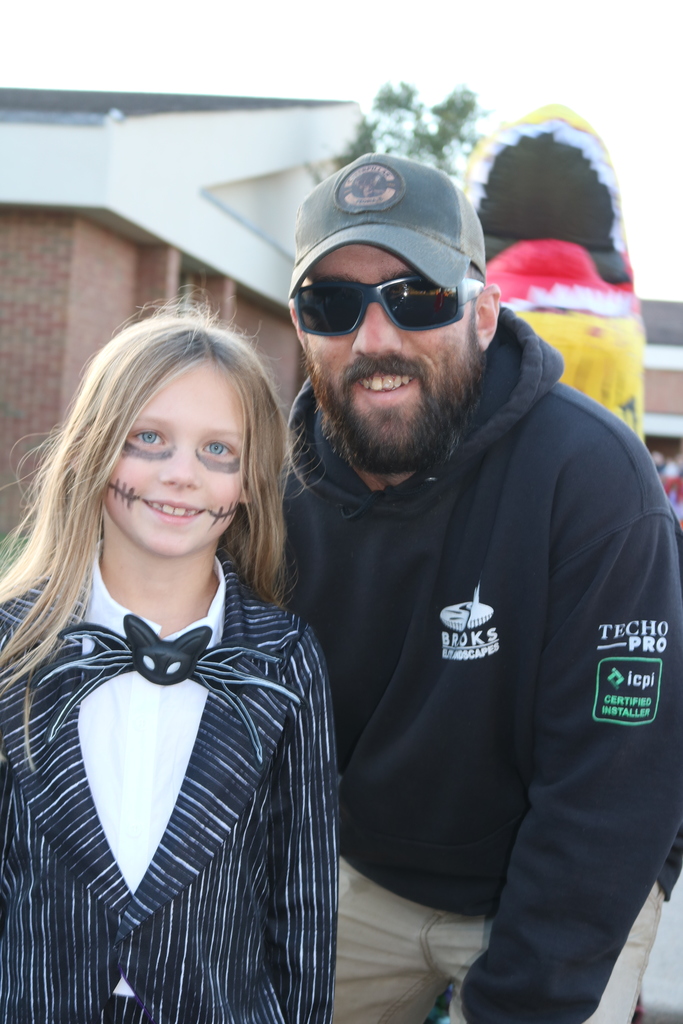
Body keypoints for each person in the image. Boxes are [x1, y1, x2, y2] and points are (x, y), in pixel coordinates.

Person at [285, 152, 683, 1024]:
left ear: (484, 312)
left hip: (570, 883)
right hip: (366, 870)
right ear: (299, 327)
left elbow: (614, 784)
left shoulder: (592, 479)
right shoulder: (271, 486)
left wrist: (522, 999)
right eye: (332, 304)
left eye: (417, 297)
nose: (374, 338)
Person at [0, 311, 338, 1024]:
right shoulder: (11, 646)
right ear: (93, 448)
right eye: (148, 438)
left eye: (218, 449)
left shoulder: (285, 661)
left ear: (249, 482)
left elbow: (303, 906)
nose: (181, 474)